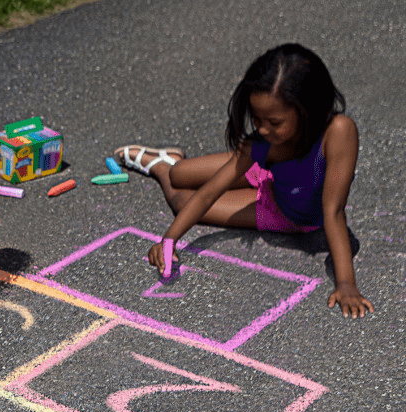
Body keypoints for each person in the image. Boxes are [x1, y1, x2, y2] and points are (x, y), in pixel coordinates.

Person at [114, 43, 371, 318]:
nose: (261, 128)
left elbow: (333, 211)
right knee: (180, 174)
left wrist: (346, 284)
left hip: (283, 213)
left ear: (307, 109)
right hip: (265, 171)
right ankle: (169, 164)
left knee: (181, 200)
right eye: (257, 118)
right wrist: (168, 241)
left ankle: (156, 167)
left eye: (274, 121)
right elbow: (209, 192)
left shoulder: (338, 132)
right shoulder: (259, 143)